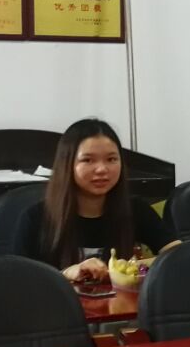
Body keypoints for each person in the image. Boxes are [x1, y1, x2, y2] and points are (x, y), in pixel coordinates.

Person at [21, 118, 175, 283]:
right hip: (57, 300)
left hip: (121, 299)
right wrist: (65, 274)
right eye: (88, 160)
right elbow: (17, 280)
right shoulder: (36, 218)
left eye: (111, 159)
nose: (102, 169)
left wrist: (131, 266)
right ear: (67, 164)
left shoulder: (135, 209)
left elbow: (178, 254)